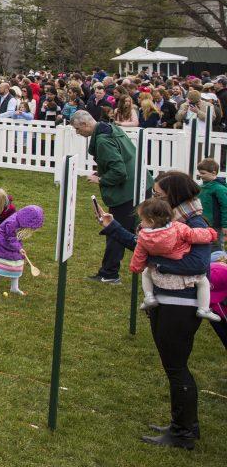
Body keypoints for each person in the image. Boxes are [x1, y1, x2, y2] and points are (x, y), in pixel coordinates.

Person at [95, 171, 214, 449]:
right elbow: (144, 247)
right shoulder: (170, 222)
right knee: (173, 366)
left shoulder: (193, 223)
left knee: (176, 367)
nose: (154, 199)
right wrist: (113, 227)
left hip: (179, 305)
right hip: (167, 301)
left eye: (159, 195)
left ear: (174, 196)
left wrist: (157, 266)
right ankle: (183, 424)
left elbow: (198, 265)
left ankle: (183, 432)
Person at [71, 110, 137, 284]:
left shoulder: (102, 141)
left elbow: (119, 171)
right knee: (135, 231)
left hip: (126, 192)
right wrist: (102, 170)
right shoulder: (112, 128)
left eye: (78, 129)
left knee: (115, 230)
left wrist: (100, 179)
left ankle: (109, 273)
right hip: (138, 186)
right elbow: (122, 158)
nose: (78, 133)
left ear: (85, 124)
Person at [132, 197, 220, 320]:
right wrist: (211, 234)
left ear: (151, 220)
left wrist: (136, 267)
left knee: (146, 273)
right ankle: (204, 309)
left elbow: (139, 253)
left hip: (159, 266)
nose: (141, 223)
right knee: (203, 281)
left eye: (142, 220)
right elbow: (194, 235)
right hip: (180, 259)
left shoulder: (143, 236)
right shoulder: (178, 227)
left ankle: (149, 297)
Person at [0, 205, 45, 296]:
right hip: (1, 244)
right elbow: (10, 237)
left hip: (12, 245)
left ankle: (14, 288)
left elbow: (14, 238)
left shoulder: (20, 220)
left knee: (17, 265)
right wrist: (19, 248)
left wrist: (19, 248)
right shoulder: (12, 223)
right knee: (0, 266)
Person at [196, 159, 227, 248]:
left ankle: (218, 261)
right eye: (199, 173)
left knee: (215, 245)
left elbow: (225, 207)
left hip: (215, 224)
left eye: (203, 173)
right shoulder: (201, 187)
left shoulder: (219, 189)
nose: (200, 175)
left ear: (213, 173)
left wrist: (225, 225)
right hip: (202, 222)